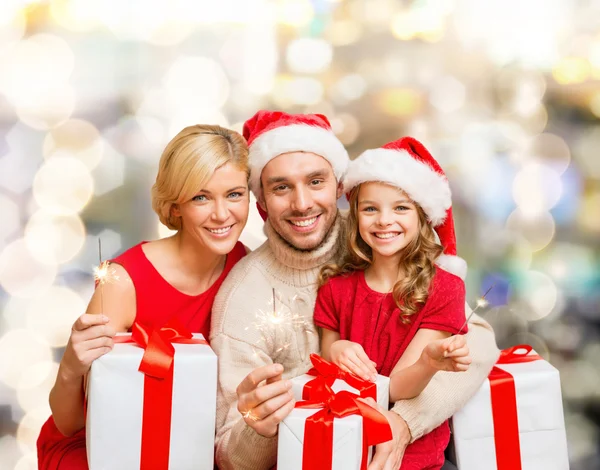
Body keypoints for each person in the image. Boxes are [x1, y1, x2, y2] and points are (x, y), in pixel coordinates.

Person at [210, 110, 500, 470]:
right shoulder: (245, 296)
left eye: (316, 181)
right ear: (262, 202)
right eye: (282, 187)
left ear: (339, 185)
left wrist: (405, 422)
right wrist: (261, 427)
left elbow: (479, 340)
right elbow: (229, 455)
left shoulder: (380, 236)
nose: (302, 204)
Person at [37, 124, 251, 470]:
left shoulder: (246, 267)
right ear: (175, 205)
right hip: (106, 444)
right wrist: (71, 368)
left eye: (234, 194)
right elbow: (70, 424)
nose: (221, 214)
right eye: (201, 197)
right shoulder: (123, 281)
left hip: (188, 442)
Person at [315, 136, 472, 469]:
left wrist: (428, 363)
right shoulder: (336, 289)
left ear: (422, 217)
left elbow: (398, 388)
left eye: (400, 207)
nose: (384, 220)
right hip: (341, 449)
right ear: (355, 216)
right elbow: (323, 362)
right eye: (370, 208)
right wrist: (336, 348)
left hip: (414, 459)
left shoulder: (445, 290)